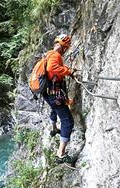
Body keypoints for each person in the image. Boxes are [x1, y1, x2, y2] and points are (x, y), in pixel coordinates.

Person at [42, 34, 75, 164]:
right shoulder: (56, 55)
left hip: (48, 92)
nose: (66, 50)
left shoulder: (48, 54)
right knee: (68, 121)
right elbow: (51, 68)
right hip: (54, 93)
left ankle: (54, 127)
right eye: (66, 48)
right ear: (64, 47)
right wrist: (69, 72)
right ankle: (60, 154)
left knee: (54, 109)